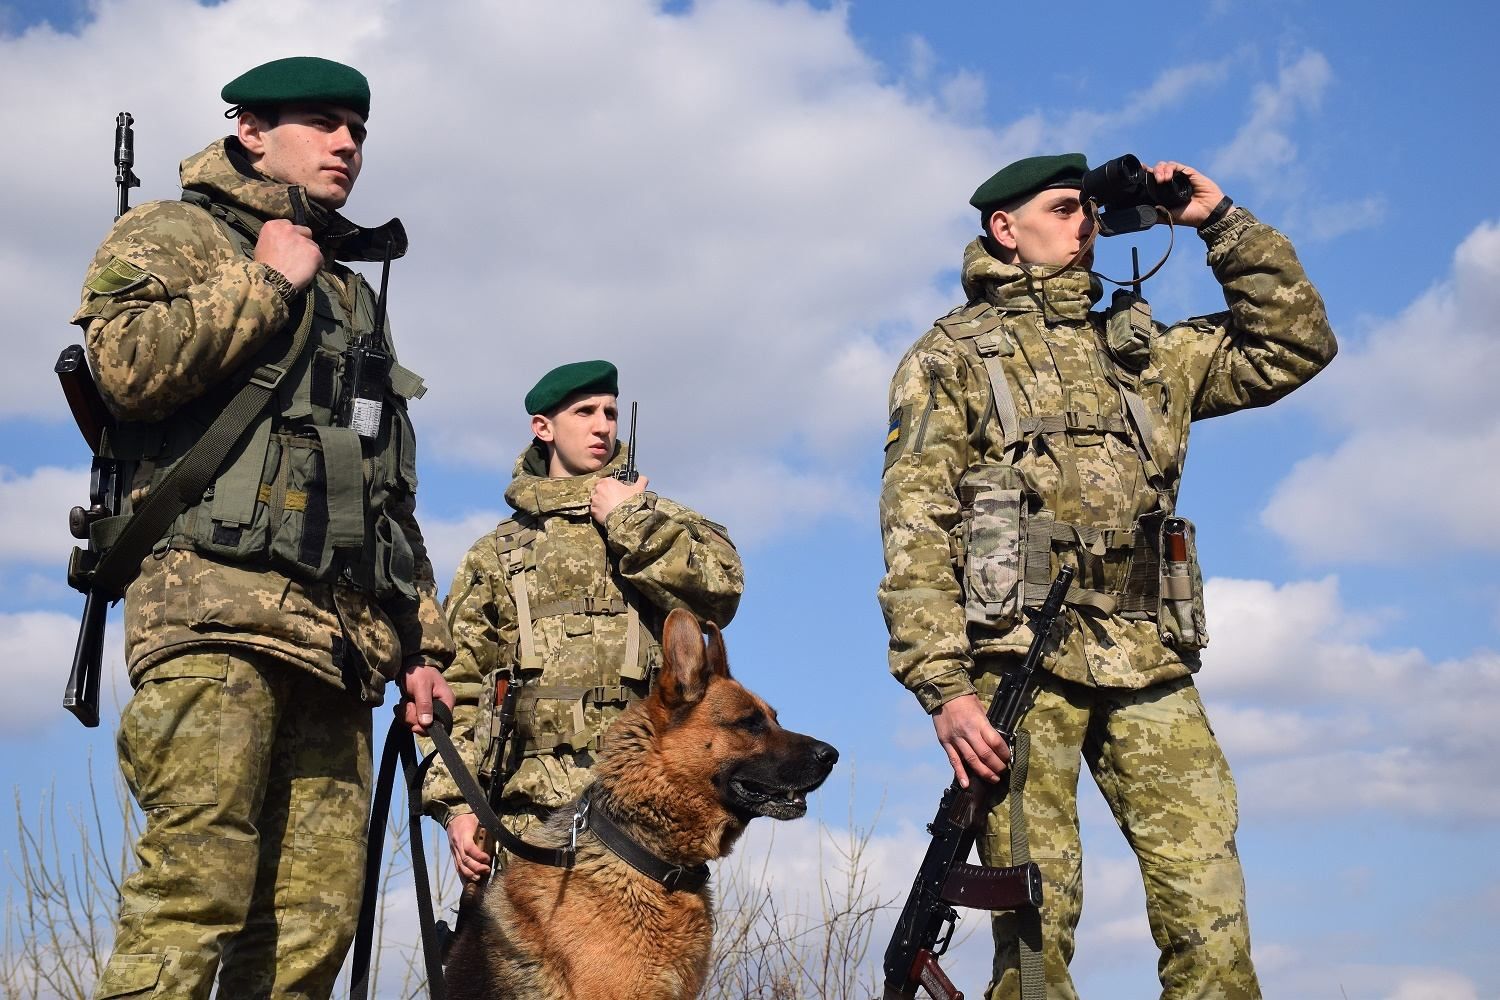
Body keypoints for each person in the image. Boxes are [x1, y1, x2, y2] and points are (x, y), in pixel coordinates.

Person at [877, 153, 1336, 999]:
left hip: (1146, 655)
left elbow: (1293, 342)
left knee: (1209, 905)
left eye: (1090, 206)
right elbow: (915, 528)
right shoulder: (951, 358)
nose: (1084, 220)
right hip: (1018, 662)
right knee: (1039, 934)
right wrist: (945, 688)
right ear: (1004, 230)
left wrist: (1221, 223)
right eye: (1062, 207)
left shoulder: (1145, 350)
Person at [71, 56, 455, 999]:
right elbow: (122, 366)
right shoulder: (175, 229)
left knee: (310, 929)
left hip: (340, 647)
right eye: (323, 123)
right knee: (195, 889)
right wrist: (266, 285)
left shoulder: (355, 294)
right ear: (250, 130)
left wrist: (422, 644)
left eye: (357, 131)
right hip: (214, 613)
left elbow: (384, 489)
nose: (347, 145)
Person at [422, 360, 744, 885]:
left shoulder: (657, 519)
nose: (602, 426)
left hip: (645, 822)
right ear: (543, 428)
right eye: (585, 411)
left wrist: (628, 519)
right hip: (524, 823)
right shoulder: (496, 555)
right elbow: (453, 686)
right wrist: (455, 808)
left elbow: (720, 596)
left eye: (611, 412)